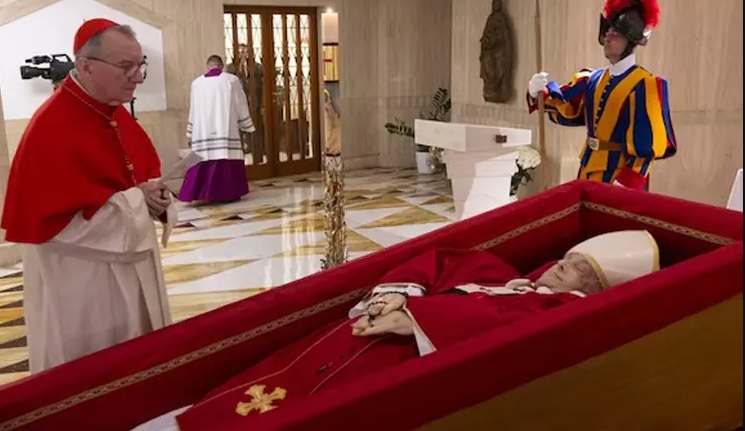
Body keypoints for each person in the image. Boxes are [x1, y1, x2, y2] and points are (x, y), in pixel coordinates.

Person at [131, 230, 659, 431]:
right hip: (363, 332)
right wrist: (397, 294)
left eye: (577, 270)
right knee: (274, 372)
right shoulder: (506, 276)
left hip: (407, 358)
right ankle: (190, 417)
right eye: (566, 258)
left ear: (596, 289)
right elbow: (439, 261)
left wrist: (421, 319)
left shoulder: (561, 312)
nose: (560, 266)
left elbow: (512, 332)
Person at [1, 18, 175, 373]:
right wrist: (137, 201)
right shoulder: (50, 126)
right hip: (83, 278)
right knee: (95, 369)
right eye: (126, 67)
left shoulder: (114, 113)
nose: (138, 77)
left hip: (133, 262)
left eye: (140, 65)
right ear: (86, 66)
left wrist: (157, 200)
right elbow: (58, 228)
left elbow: (140, 178)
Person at [526, 0, 677, 191]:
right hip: (587, 170)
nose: (607, 38)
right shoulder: (591, 79)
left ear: (630, 40)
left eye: (615, 34)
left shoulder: (645, 84)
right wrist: (537, 93)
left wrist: (627, 182)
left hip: (619, 178)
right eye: (607, 32)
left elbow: (647, 147)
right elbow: (568, 110)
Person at [178, 55, 255, 204]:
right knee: (225, 156)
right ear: (221, 66)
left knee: (203, 158)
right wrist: (246, 124)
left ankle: (200, 193)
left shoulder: (196, 83)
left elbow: (193, 108)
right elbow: (240, 103)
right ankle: (227, 193)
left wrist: (191, 131)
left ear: (207, 67)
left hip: (203, 130)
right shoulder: (231, 80)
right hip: (225, 127)